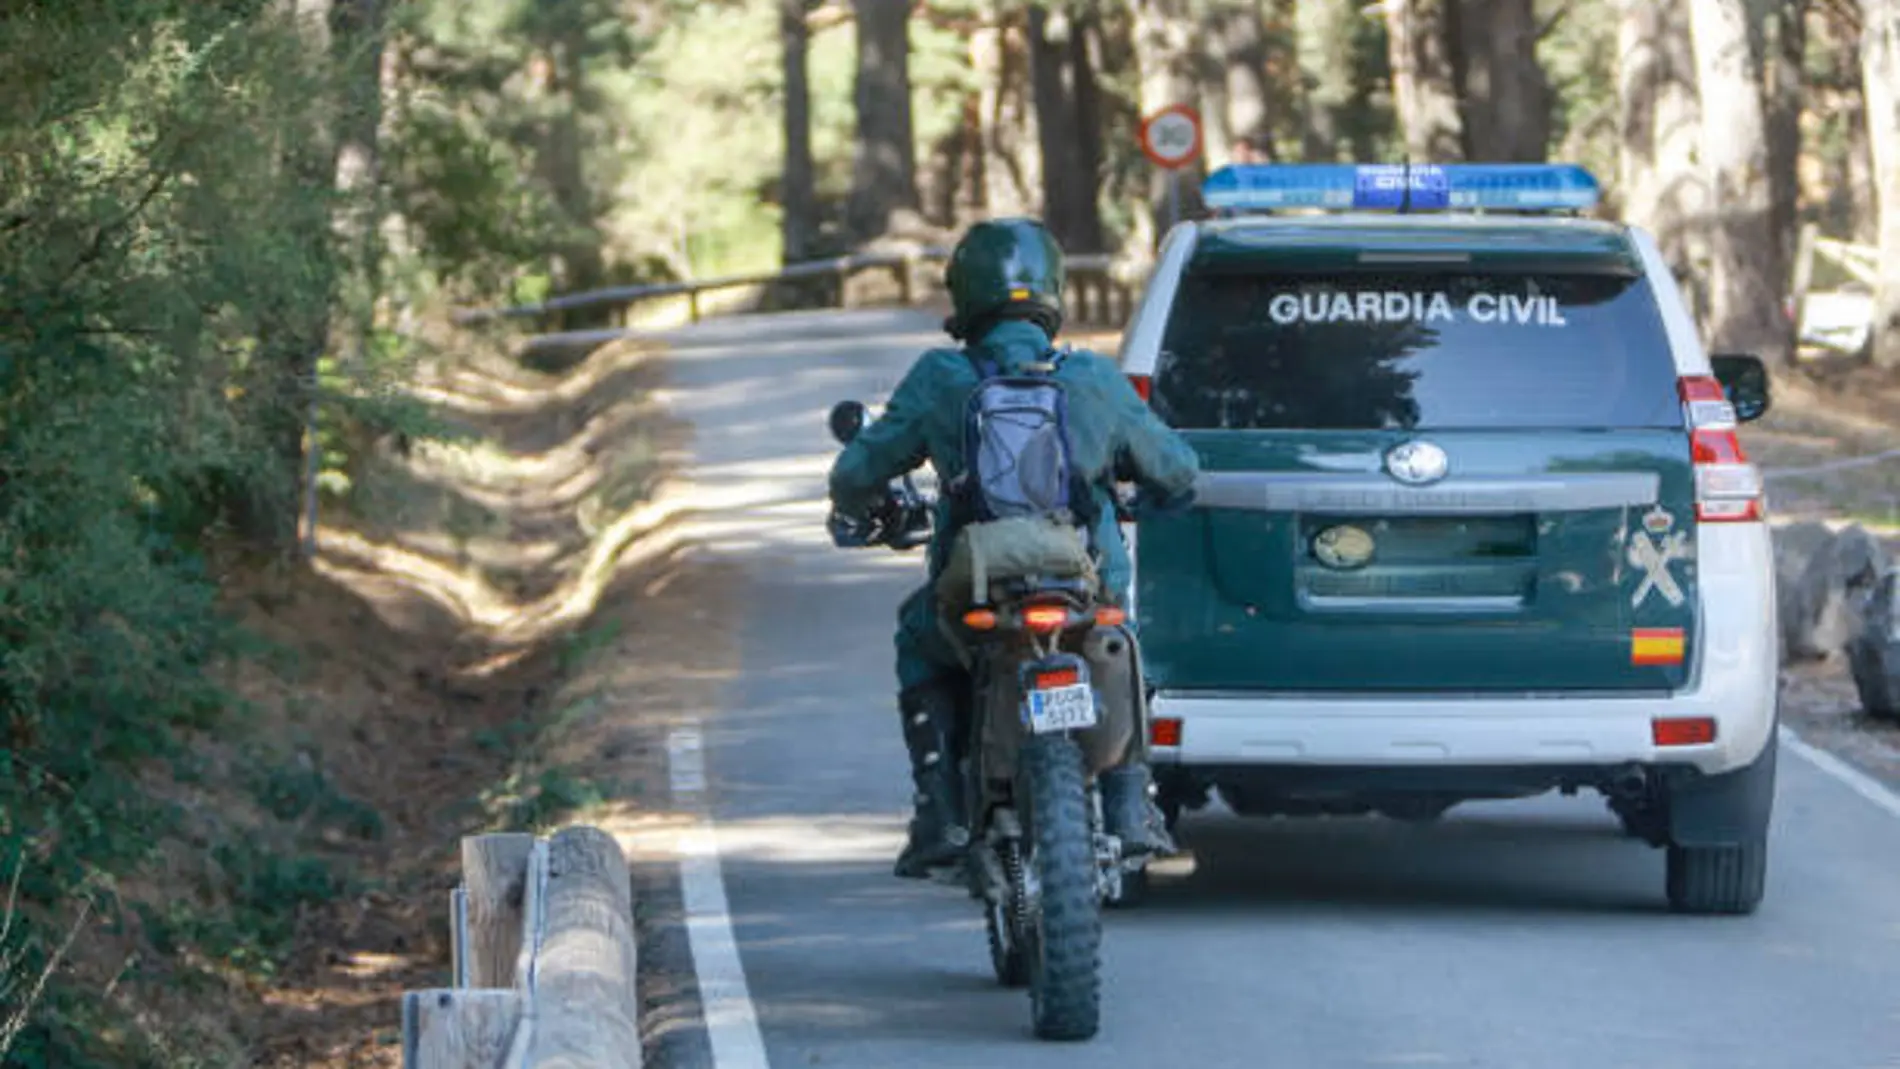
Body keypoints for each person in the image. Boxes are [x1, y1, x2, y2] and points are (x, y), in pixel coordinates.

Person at [827, 217, 1202, 879]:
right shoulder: (1090, 377)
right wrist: (1150, 491)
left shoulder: (943, 376)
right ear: (1053, 287)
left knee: (918, 639)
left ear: (964, 292)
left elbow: (856, 473)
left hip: (976, 587)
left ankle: (939, 806)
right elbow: (1177, 468)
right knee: (1123, 641)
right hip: (1084, 586)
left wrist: (868, 511)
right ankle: (1129, 802)